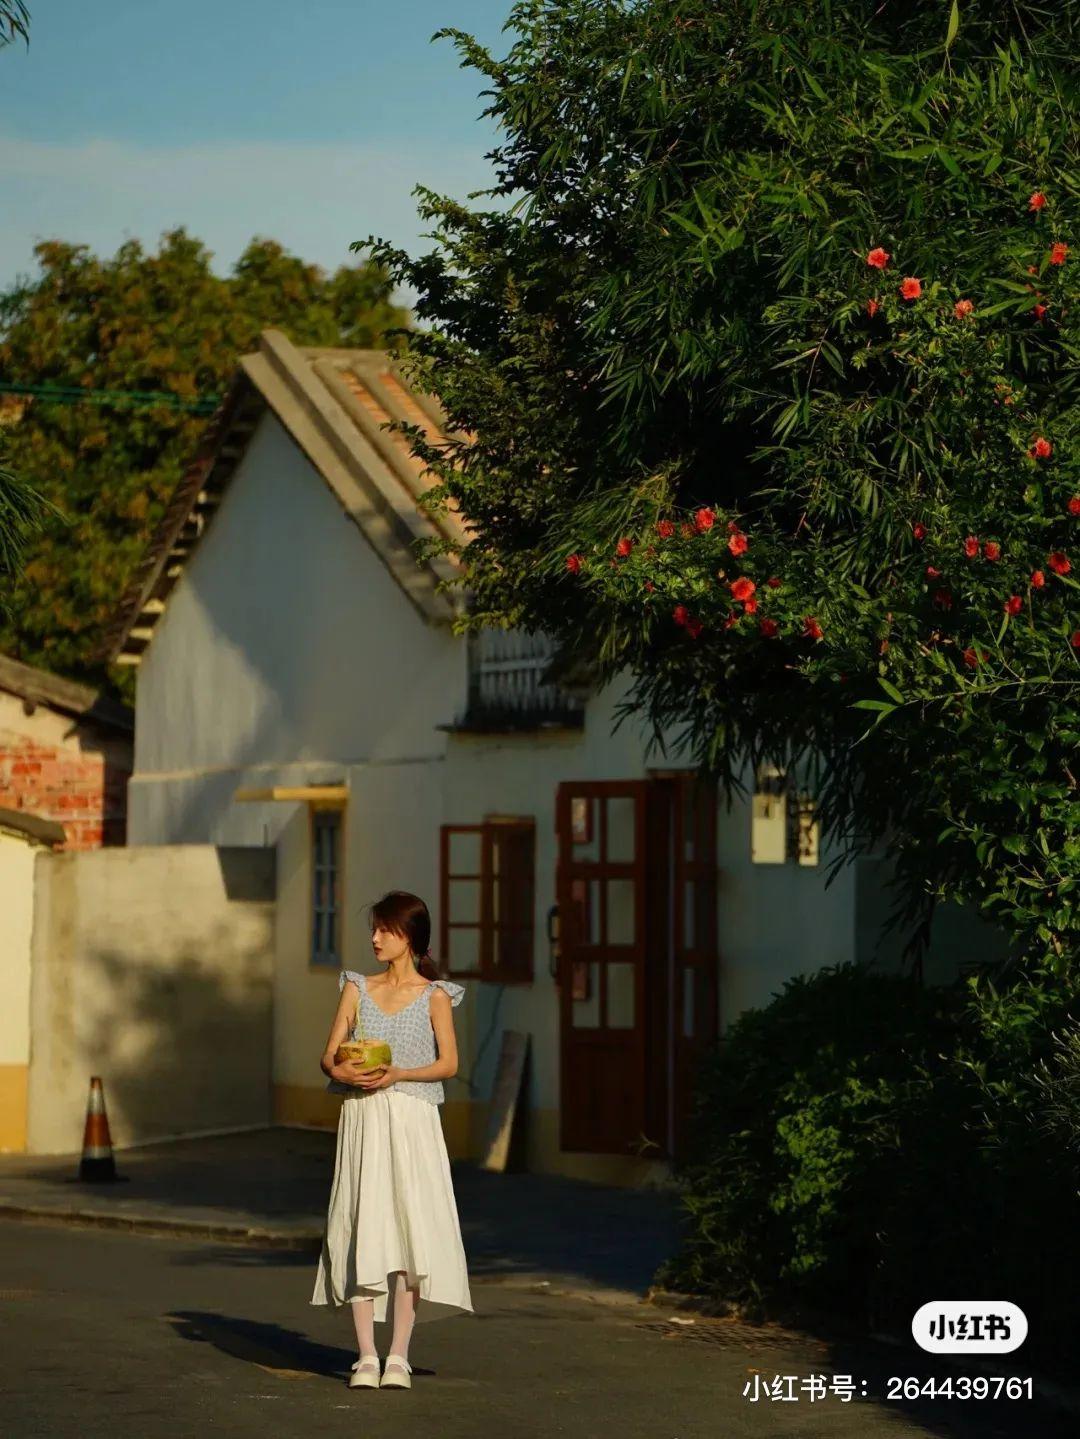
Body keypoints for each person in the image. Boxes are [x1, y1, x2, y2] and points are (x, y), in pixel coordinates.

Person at [309, 890, 474, 1390]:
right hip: (363, 1117)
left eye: (386, 929)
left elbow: (449, 1063)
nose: (375, 938)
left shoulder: (435, 994)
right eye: (375, 929)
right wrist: (346, 1070)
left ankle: (398, 1354)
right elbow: (328, 1056)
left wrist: (398, 1072)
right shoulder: (356, 987)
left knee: (409, 1231)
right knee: (363, 1225)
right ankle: (364, 1355)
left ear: (410, 937)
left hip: (413, 1119)